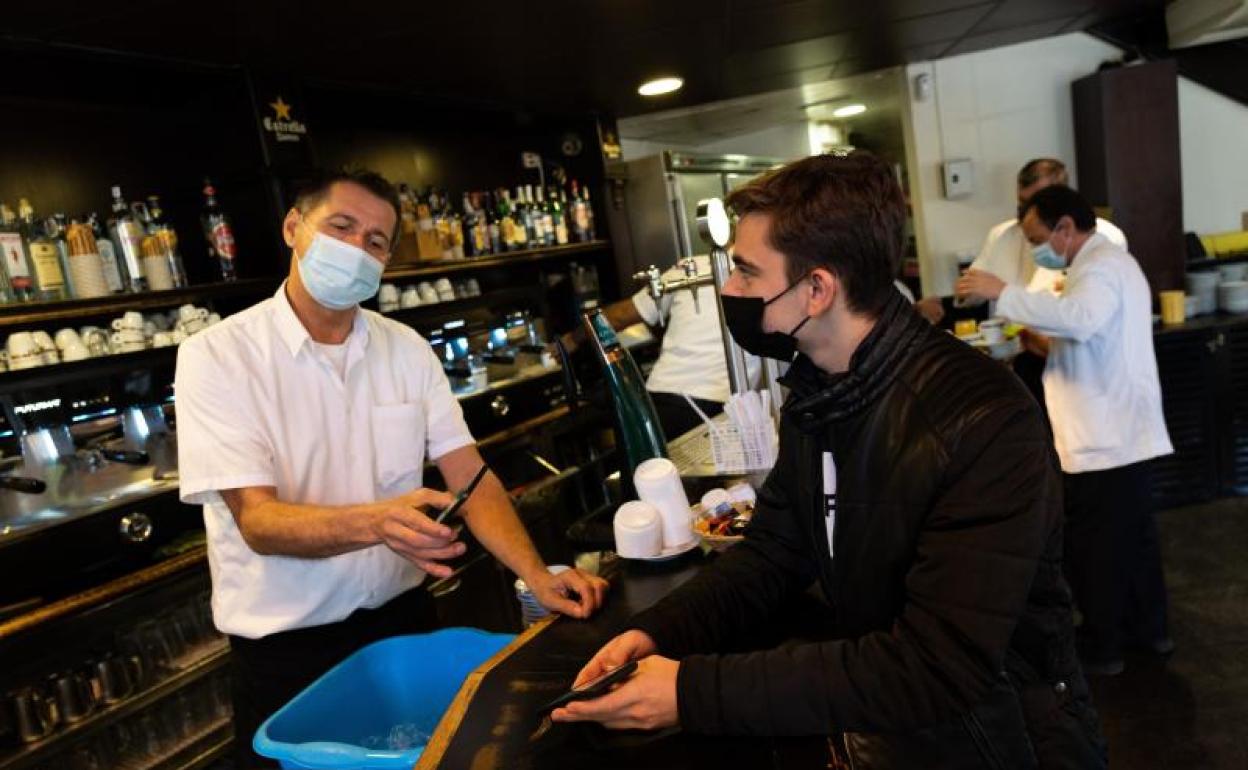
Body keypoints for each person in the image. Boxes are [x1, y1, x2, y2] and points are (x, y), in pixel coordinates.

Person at [552, 152, 1106, 767]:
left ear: (816, 289)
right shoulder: (821, 390)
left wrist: (690, 692)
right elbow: (773, 551)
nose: (729, 292)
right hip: (893, 731)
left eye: (746, 272)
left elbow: (934, 667)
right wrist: (660, 631)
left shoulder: (983, 419)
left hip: (999, 741)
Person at [175, 169, 607, 768]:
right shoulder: (218, 356)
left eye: (375, 241)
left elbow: (469, 474)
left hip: (405, 627)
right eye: (341, 227)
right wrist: (378, 522)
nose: (357, 249)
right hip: (287, 654)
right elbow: (259, 522)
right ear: (293, 227)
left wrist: (536, 575)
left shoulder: (406, 348)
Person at [957, 184, 1174, 677]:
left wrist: (1003, 293)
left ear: (1065, 228)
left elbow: (1081, 320)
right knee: (1133, 542)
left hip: (1107, 437)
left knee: (1098, 549)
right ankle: (1149, 632)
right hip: (1115, 432)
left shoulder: (1101, 266)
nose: (1037, 250)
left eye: (1037, 239)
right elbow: (1090, 336)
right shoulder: (1099, 267)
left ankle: (1104, 646)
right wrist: (1044, 344)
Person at [560, 255, 760, 439]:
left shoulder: (692, 265)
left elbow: (619, 316)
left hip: (662, 401)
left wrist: (571, 339)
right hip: (717, 405)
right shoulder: (761, 271)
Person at [916, 158, 1127, 325]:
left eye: (1036, 202)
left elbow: (1078, 315)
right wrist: (967, 291)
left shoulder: (1102, 239)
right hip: (1007, 342)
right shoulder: (1001, 234)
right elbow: (975, 289)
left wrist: (1003, 292)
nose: (1027, 211)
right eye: (1022, 202)